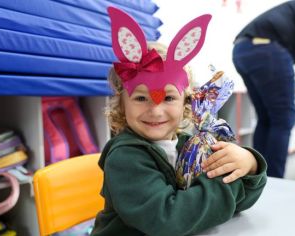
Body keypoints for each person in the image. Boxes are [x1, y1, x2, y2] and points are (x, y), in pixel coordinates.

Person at [91, 7, 267, 236]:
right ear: (122, 104)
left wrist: (248, 164)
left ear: (186, 101)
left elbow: (238, 203)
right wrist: (225, 183)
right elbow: (166, 220)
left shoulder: (190, 145)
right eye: (141, 98)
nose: (155, 110)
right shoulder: (126, 158)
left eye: (169, 97)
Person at [232, 0, 295, 178]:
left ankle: (257, 177)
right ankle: (274, 181)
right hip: (267, 48)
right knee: (283, 119)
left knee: (267, 119)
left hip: (242, 49)